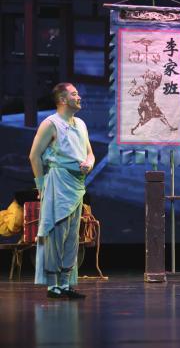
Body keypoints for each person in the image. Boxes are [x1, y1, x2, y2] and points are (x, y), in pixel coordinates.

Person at [29, 83, 94, 299]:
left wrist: (89, 163)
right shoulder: (51, 123)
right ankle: (52, 285)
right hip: (58, 182)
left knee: (72, 236)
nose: (79, 97)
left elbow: (90, 153)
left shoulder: (81, 124)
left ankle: (65, 283)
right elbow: (34, 155)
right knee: (56, 233)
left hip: (77, 185)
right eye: (74, 94)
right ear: (63, 100)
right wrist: (41, 185)